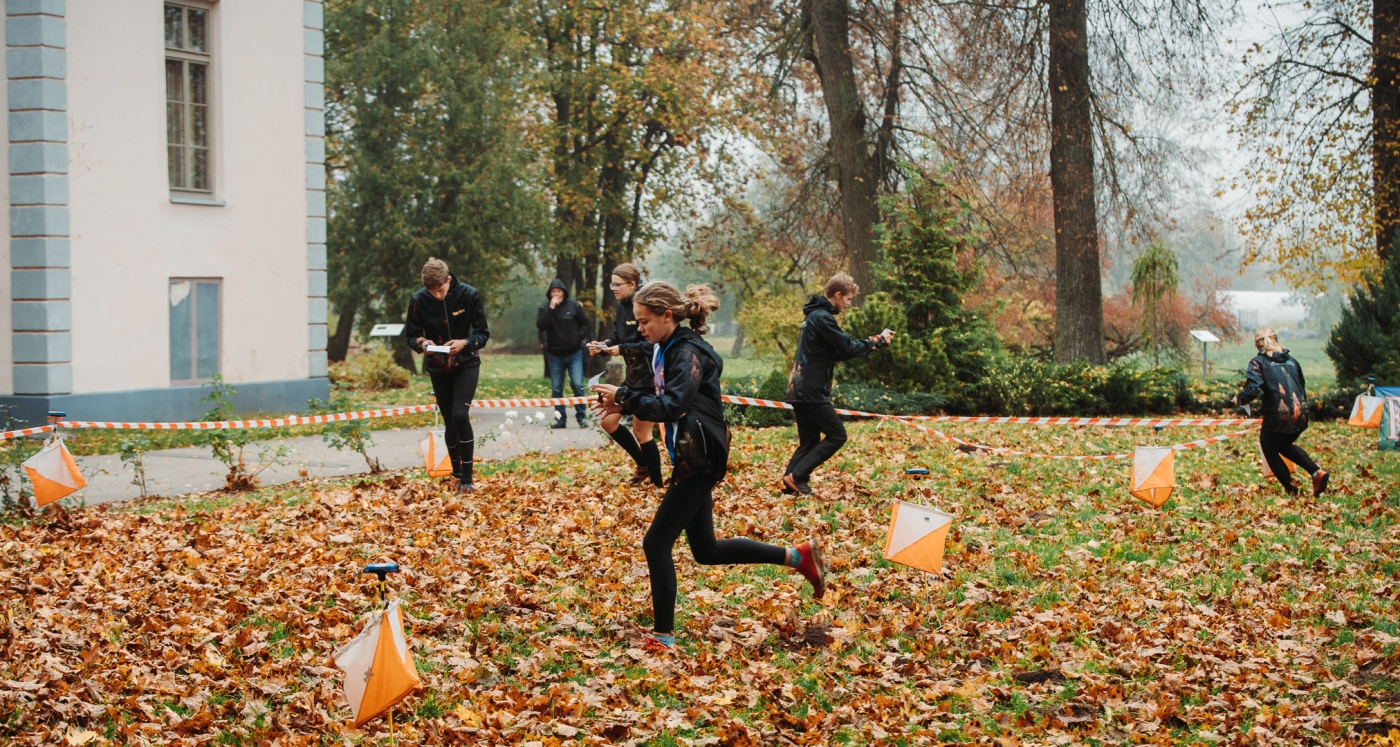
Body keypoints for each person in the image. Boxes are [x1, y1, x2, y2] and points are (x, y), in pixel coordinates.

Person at [591, 282, 826, 651]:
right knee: (706, 550)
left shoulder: (687, 353)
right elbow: (665, 397)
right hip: (692, 455)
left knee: (656, 543)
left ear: (667, 316)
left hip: (701, 457)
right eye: (637, 321)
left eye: (644, 321)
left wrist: (623, 395)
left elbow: (673, 405)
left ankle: (663, 637)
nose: (639, 328)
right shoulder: (668, 347)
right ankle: (797, 556)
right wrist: (625, 403)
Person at [781, 273, 892, 495]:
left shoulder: (813, 317)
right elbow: (847, 346)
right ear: (838, 295)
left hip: (798, 388)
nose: (848, 304)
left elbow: (836, 352)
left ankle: (791, 486)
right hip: (811, 390)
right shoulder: (823, 318)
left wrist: (871, 343)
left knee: (809, 441)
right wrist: (877, 342)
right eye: (848, 299)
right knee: (837, 435)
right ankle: (797, 477)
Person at [404, 257, 490, 493]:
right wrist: (422, 343)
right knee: (449, 421)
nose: (437, 295)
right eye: (432, 291)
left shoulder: (468, 294)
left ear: (449, 279)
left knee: (460, 414)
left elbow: (483, 333)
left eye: (440, 289)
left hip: (467, 362)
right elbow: (411, 335)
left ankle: (467, 479)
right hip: (438, 366)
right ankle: (456, 472)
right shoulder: (418, 300)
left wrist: (465, 342)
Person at [587, 263, 663, 486]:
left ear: (631, 284)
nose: (613, 289)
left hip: (650, 378)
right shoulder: (621, 306)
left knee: (642, 432)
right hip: (632, 378)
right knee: (608, 422)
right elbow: (617, 337)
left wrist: (622, 349)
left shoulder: (645, 305)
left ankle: (658, 484)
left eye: (617, 284)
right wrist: (603, 346)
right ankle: (644, 466)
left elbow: (652, 343)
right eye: (611, 284)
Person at [1233, 327, 1329, 497]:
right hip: (1301, 412)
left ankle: (1292, 491)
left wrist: (1239, 399)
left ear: (1257, 345)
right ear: (1276, 341)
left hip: (1278, 413)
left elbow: (1253, 388)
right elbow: (1301, 385)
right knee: (1283, 445)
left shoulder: (1258, 362)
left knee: (1269, 450)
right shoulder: (1291, 360)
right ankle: (1316, 473)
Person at [536, 278, 592, 428]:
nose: (556, 294)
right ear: (549, 294)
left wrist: (578, 337)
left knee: (577, 384)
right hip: (555, 354)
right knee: (556, 388)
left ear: (564, 292)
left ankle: (581, 417)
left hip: (574, 353)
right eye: (553, 291)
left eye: (559, 291)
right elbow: (541, 325)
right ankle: (560, 419)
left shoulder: (574, 306)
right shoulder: (544, 308)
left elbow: (586, 324)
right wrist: (551, 308)